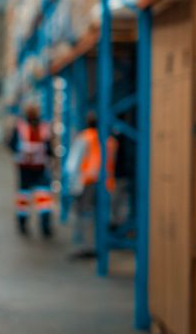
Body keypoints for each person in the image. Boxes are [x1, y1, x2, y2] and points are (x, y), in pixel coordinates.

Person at [65, 111, 118, 259]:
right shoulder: (110, 140)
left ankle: (85, 246)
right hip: (105, 183)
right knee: (99, 215)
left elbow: (73, 163)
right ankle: (97, 244)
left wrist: (71, 184)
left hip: (87, 183)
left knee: (83, 214)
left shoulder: (85, 137)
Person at [8, 103, 54, 237]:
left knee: (28, 197)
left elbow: (12, 145)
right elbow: (49, 148)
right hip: (34, 167)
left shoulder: (21, 126)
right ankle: (43, 227)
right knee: (36, 198)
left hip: (29, 168)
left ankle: (25, 225)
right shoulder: (40, 126)